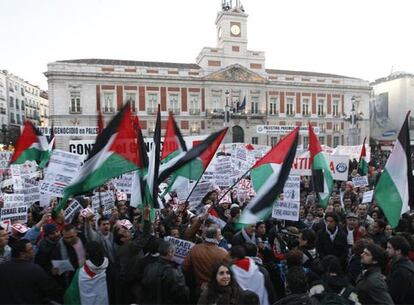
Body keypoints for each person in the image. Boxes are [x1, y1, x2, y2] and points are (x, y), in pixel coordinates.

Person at [0, 239, 63, 304]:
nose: (33, 251)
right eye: (30, 249)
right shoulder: (34, 269)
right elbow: (51, 290)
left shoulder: (2, 267)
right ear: (22, 254)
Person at [182, 225, 228, 296]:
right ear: (215, 236)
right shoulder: (223, 253)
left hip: (198, 288)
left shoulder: (195, 248)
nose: (221, 237)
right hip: (215, 290)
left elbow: (185, 267)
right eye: (220, 235)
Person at [386, 236, 414, 304]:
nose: (386, 250)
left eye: (389, 248)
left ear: (398, 251)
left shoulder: (401, 272)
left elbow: (394, 298)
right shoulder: (405, 263)